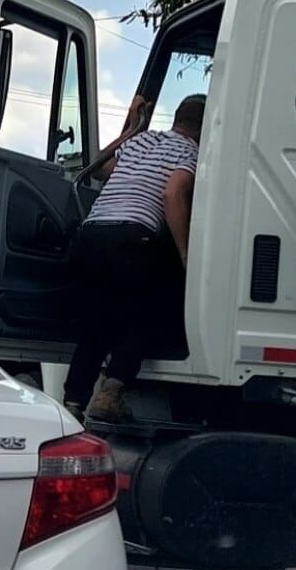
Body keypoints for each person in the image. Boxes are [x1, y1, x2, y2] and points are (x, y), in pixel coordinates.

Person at [63, 94, 207, 423]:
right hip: (132, 238)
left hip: (91, 236)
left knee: (96, 324)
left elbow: (98, 169)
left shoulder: (141, 141)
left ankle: (73, 403)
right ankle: (111, 392)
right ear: (203, 127)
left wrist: (131, 128)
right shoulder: (189, 150)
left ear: (177, 118)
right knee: (146, 312)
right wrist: (185, 253)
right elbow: (173, 193)